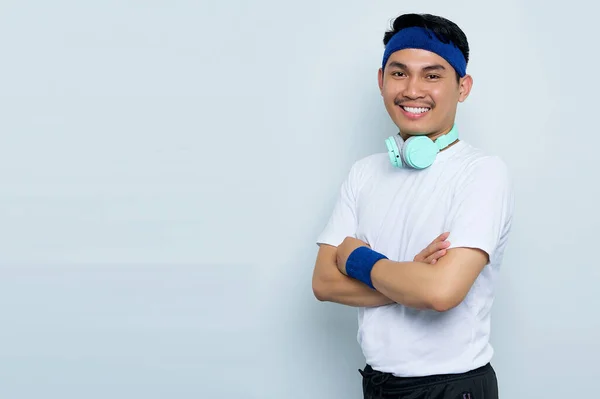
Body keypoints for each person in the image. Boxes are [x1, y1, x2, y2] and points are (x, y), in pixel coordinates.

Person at [311, 13, 514, 399]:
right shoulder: (363, 173)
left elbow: (440, 293)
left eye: (433, 75)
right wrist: (408, 281)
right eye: (399, 73)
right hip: (378, 383)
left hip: (453, 388)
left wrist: (357, 259)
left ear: (463, 86)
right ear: (381, 80)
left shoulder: (483, 173)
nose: (413, 89)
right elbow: (323, 283)